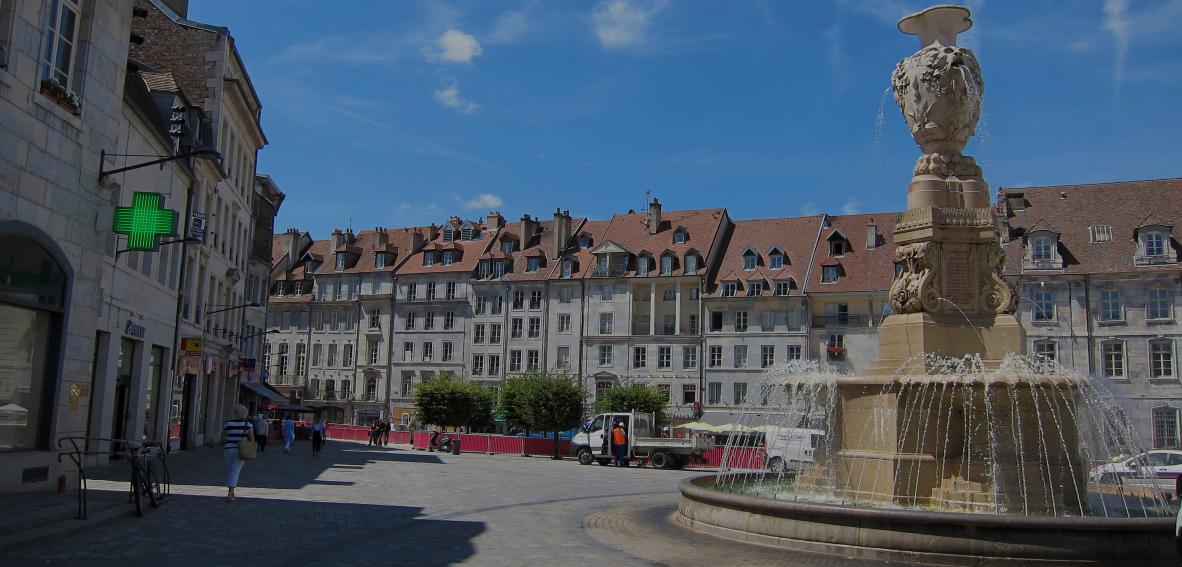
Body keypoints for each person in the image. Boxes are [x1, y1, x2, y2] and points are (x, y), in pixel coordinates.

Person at [221, 404, 255, 502]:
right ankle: (230, 494)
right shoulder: (248, 424)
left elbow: (223, 437)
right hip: (240, 449)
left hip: (228, 449)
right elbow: (252, 439)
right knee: (235, 470)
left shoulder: (227, 424)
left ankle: (231, 492)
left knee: (231, 469)